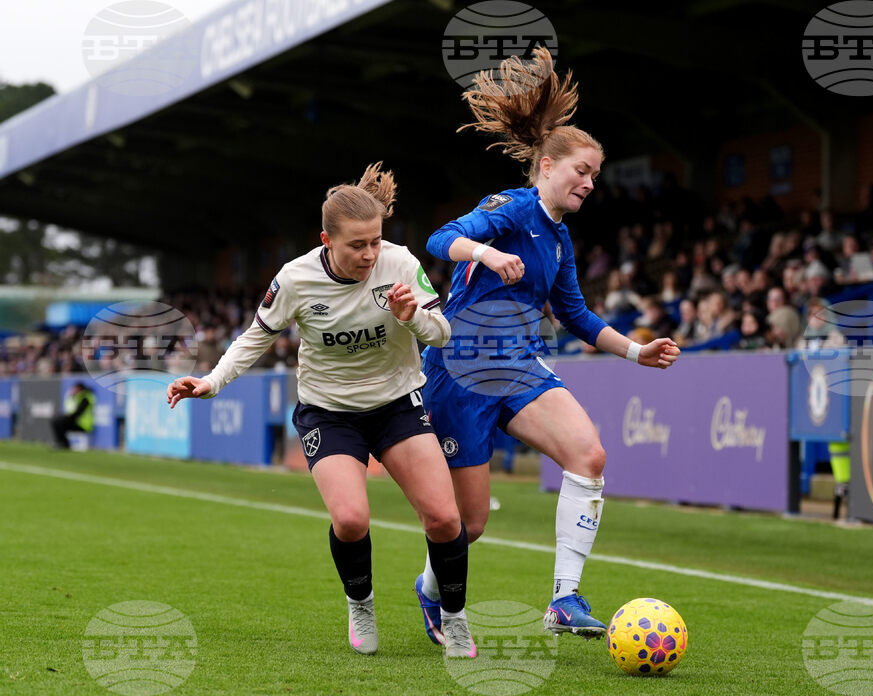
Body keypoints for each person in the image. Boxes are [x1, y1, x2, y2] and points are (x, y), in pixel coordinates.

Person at [415, 48, 681, 641]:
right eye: (581, 170)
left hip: (517, 366)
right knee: (469, 524)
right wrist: (486, 253)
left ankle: (564, 599)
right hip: (460, 371)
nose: (589, 182)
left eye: (595, 175)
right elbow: (441, 238)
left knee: (589, 457)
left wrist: (639, 353)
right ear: (545, 167)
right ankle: (431, 590)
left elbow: (577, 315)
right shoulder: (508, 209)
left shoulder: (559, 241)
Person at [165, 164, 476, 659]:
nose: (370, 254)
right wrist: (211, 382)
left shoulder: (399, 264)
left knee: (443, 518)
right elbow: (255, 339)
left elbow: (444, 334)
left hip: (397, 405)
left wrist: (412, 316)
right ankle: (361, 603)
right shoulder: (295, 278)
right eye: (357, 245)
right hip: (329, 413)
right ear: (326, 239)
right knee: (351, 519)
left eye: (375, 241)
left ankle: (455, 620)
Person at [51, 381, 94, 449]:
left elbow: (77, 413)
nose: (74, 390)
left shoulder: (86, 398)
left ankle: (64, 443)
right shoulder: (76, 397)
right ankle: (61, 442)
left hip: (83, 425)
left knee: (59, 421)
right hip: (77, 422)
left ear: (80, 389)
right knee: (56, 420)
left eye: (75, 389)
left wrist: (66, 417)